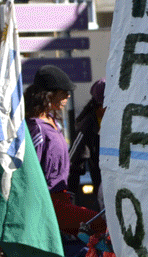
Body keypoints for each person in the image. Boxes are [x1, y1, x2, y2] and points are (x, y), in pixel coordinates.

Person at [25, 64, 102, 239]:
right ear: (48, 95)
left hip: (62, 199)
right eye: (64, 92)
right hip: (48, 204)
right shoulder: (36, 128)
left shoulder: (53, 122)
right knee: (101, 225)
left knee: (100, 232)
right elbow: (29, 172)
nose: (68, 96)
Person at [68, 79, 106, 208]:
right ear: (98, 105)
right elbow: (74, 161)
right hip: (103, 187)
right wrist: (69, 195)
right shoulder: (88, 125)